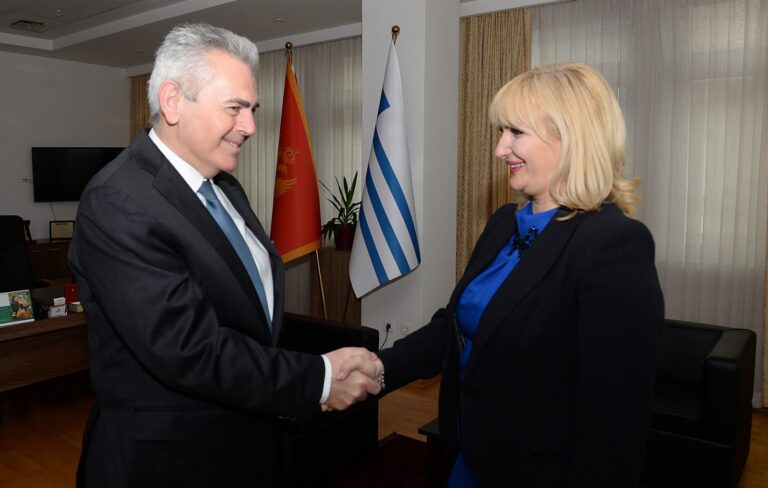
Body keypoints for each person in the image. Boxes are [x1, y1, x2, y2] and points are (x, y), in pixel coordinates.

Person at [69, 23, 382, 487]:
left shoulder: (225, 186)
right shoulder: (119, 201)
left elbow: (243, 317)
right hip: (170, 464)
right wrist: (318, 377)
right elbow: (189, 350)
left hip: (249, 442)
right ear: (173, 101)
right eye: (235, 108)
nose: (251, 127)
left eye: (252, 110)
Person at [349, 62, 664, 486]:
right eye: (501, 132)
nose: (500, 149)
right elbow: (455, 326)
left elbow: (614, 424)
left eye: (516, 132)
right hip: (471, 453)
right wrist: (380, 367)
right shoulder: (503, 223)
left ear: (571, 137)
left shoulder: (615, 245)